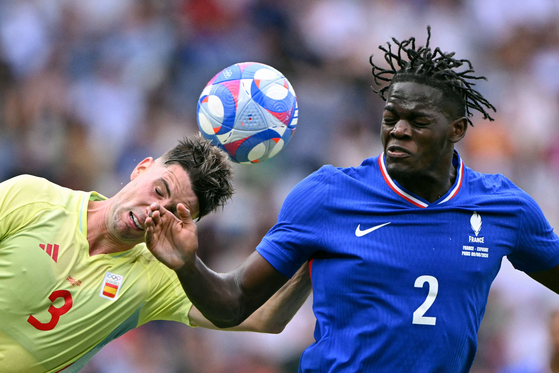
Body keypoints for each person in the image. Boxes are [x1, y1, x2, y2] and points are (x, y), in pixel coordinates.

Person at [143, 27, 559, 372]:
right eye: (391, 117)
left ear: (456, 130)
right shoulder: (328, 196)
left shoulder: (504, 208)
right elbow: (233, 304)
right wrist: (188, 264)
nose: (398, 130)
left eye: (418, 121)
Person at [0, 135, 311, 373]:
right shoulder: (32, 197)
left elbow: (264, 317)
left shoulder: (161, 276)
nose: (154, 210)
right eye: (159, 190)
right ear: (141, 168)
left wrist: (316, 246)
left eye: (174, 212)